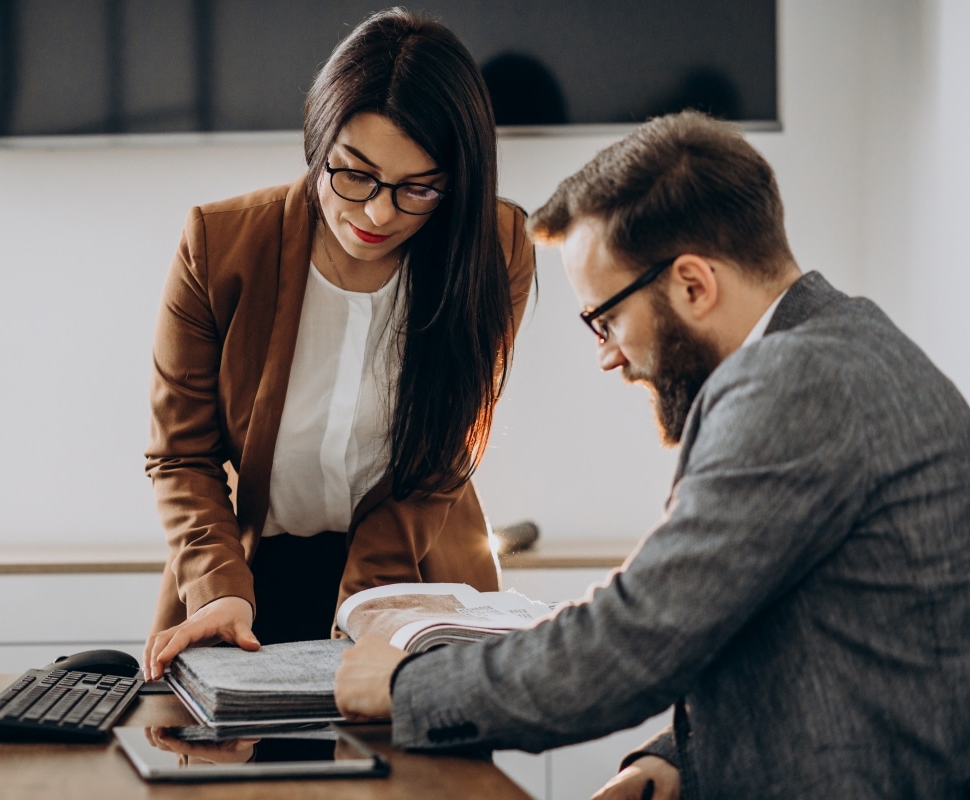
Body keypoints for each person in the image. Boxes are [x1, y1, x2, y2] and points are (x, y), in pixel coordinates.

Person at [334, 110, 970, 799]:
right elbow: (787, 633)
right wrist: (671, 760)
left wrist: (407, 685)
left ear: (693, 284)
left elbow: (637, 638)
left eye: (604, 319)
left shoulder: (796, 383)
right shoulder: (847, 346)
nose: (607, 355)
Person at [142, 8, 535, 682]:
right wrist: (217, 585)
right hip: (246, 584)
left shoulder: (494, 249)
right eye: (355, 175)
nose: (380, 213)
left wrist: (370, 599)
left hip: (415, 579)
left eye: (419, 188)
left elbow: (448, 450)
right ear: (317, 140)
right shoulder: (220, 243)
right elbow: (182, 455)